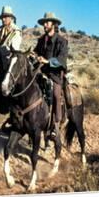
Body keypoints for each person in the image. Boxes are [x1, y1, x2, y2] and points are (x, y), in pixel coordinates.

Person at [33, 12, 68, 140]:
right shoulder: (41, 40)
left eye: (47, 23)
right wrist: (34, 56)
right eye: (44, 23)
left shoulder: (62, 41)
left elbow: (62, 60)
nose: (45, 25)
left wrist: (47, 61)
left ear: (54, 24)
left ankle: (55, 125)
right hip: (41, 72)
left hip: (55, 74)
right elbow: (36, 52)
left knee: (55, 95)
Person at [0, 5, 22, 95]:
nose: (3, 19)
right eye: (2, 17)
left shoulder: (16, 31)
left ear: (10, 18)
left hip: (8, 58)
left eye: (5, 17)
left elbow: (14, 48)